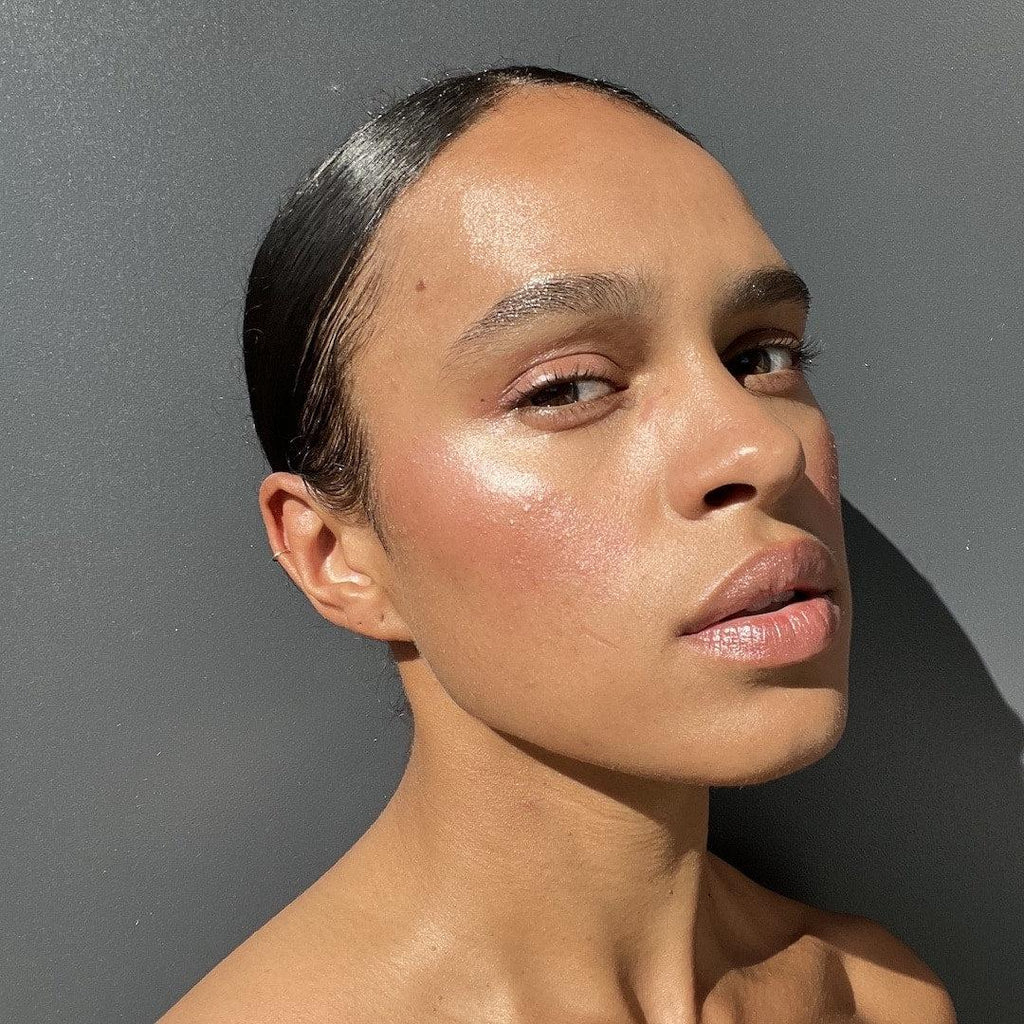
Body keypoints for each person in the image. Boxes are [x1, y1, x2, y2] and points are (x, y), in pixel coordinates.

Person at [159, 65, 956, 1023]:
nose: (762, 447)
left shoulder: (880, 997)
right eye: (567, 387)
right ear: (337, 555)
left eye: (761, 356)